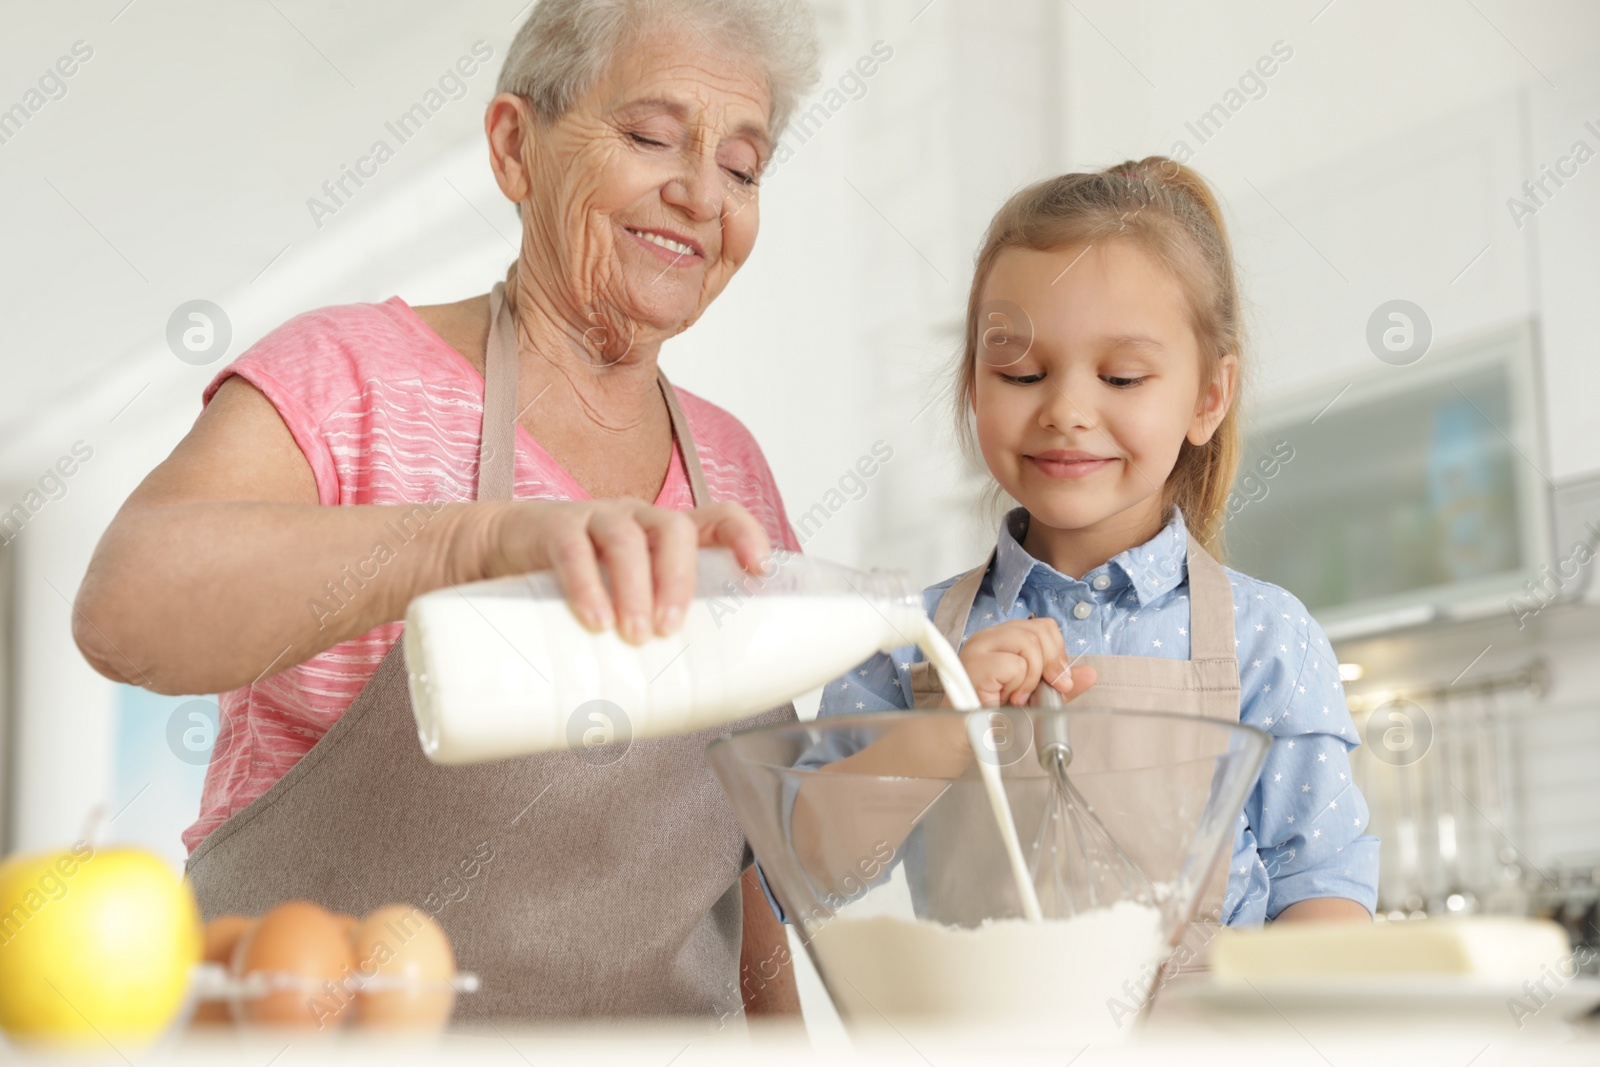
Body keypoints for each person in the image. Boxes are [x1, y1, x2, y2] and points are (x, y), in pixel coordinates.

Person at [73, 0, 820, 1022]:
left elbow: (745, 850)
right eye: (651, 137)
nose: (699, 193)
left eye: (742, 166)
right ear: (516, 147)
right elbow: (127, 610)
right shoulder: (346, 376)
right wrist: (473, 539)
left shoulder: (733, 469)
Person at [784, 158, 1378, 931]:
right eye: (1022, 373)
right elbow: (808, 868)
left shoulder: (1268, 639)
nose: (1066, 408)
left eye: (1123, 377)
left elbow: (1321, 882)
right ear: (974, 385)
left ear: (1208, 397)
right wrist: (940, 735)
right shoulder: (909, 642)